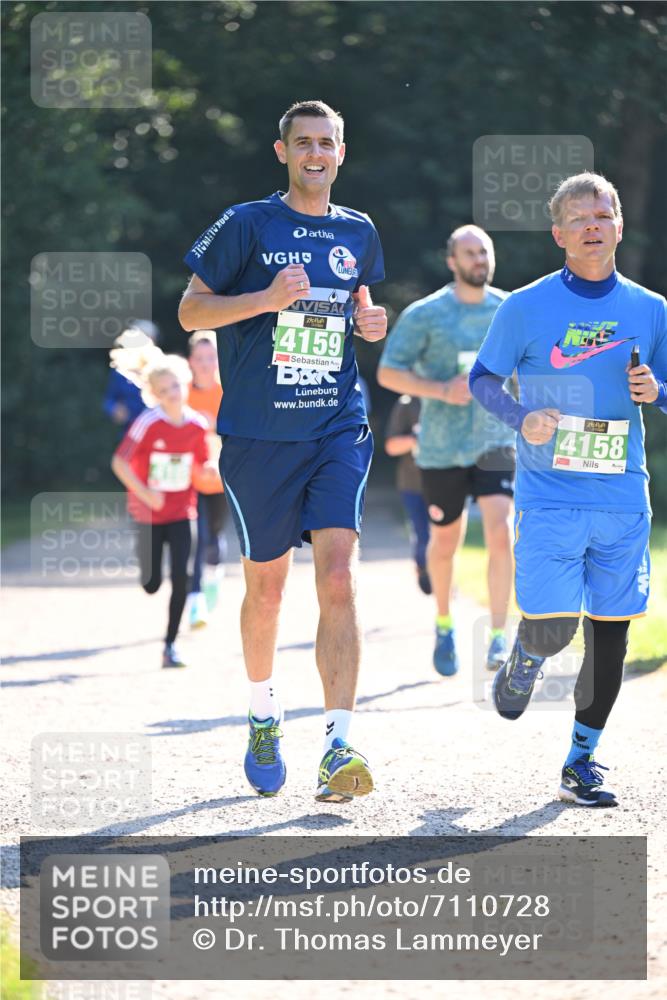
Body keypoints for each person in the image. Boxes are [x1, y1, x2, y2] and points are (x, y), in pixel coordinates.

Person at [178, 100, 387, 801]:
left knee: (337, 577)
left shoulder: (358, 230)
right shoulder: (247, 224)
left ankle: (337, 745)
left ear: (342, 152)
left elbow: (353, 307)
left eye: (327, 142)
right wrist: (265, 299)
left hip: (335, 423)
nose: (315, 153)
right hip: (258, 435)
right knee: (266, 590)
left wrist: (368, 321)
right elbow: (190, 309)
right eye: (303, 143)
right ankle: (264, 713)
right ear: (283, 152)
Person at [470, 171, 667, 806]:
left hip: (622, 495)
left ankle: (581, 760)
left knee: (611, 631)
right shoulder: (524, 306)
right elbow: (482, 379)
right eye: (579, 218)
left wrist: (658, 391)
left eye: (602, 215)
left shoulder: (651, 308)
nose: (592, 226)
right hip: (550, 493)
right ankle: (528, 655)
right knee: (554, 626)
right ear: (558, 234)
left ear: (619, 227)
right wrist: (520, 417)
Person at [377, 225, 515, 676]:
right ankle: (444, 624)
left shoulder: (509, 310)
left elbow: (530, 369)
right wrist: (440, 389)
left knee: (501, 529)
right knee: (444, 542)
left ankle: (498, 637)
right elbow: (388, 373)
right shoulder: (426, 314)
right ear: (452, 261)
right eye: (469, 253)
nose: (479, 260)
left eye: (484, 252)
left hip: (495, 440)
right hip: (440, 448)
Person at [111, 355, 217, 668]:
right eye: (164, 389)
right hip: (149, 514)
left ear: (185, 383)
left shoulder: (197, 425)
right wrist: (146, 494)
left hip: (184, 511)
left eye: (176, 385)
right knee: (152, 583)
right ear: (155, 394)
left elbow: (202, 462)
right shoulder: (147, 423)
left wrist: (209, 468)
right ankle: (148, 571)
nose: (172, 392)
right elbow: (119, 462)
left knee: (182, 577)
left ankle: (169, 646)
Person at [185, 330, 228, 628]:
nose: (205, 364)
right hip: (189, 481)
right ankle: (195, 601)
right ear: (190, 361)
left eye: (211, 357)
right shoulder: (181, 394)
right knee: (195, 539)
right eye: (199, 358)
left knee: (213, 537)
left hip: (221, 481)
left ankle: (213, 577)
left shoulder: (229, 393)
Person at [384, 395, 431, 594]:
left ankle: (443, 579)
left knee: (445, 536)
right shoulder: (407, 404)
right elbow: (391, 446)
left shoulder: (451, 398)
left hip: (446, 481)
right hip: (412, 484)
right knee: (422, 535)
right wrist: (417, 439)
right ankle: (424, 571)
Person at [103, 323, 161, 434]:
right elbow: (109, 400)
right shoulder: (120, 371)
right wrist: (114, 409)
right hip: (130, 431)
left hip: (158, 430)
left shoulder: (163, 368)